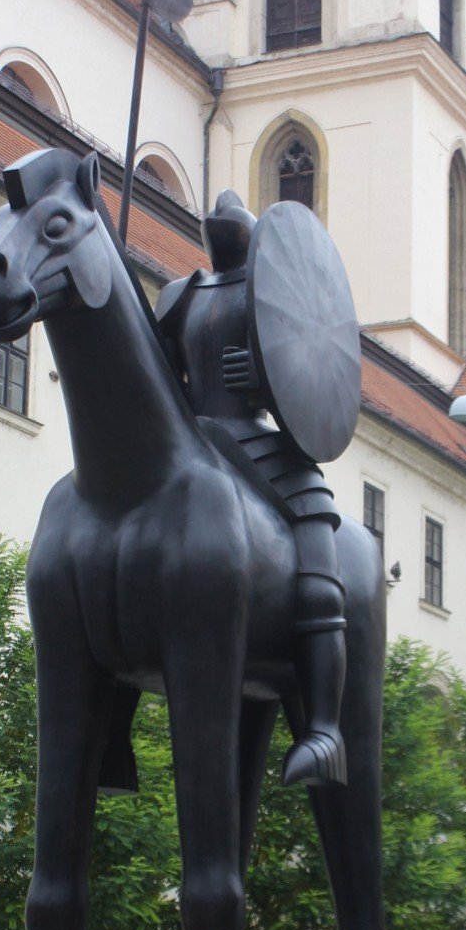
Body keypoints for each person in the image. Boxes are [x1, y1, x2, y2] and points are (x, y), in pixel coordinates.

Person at [157, 190, 348, 788]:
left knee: (320, 568)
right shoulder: (178, 295)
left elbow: (308, 366)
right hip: (190, 443)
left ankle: (325, 729)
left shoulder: (273, 292)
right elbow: (158, 373)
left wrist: (263, 379)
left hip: (260, 443)